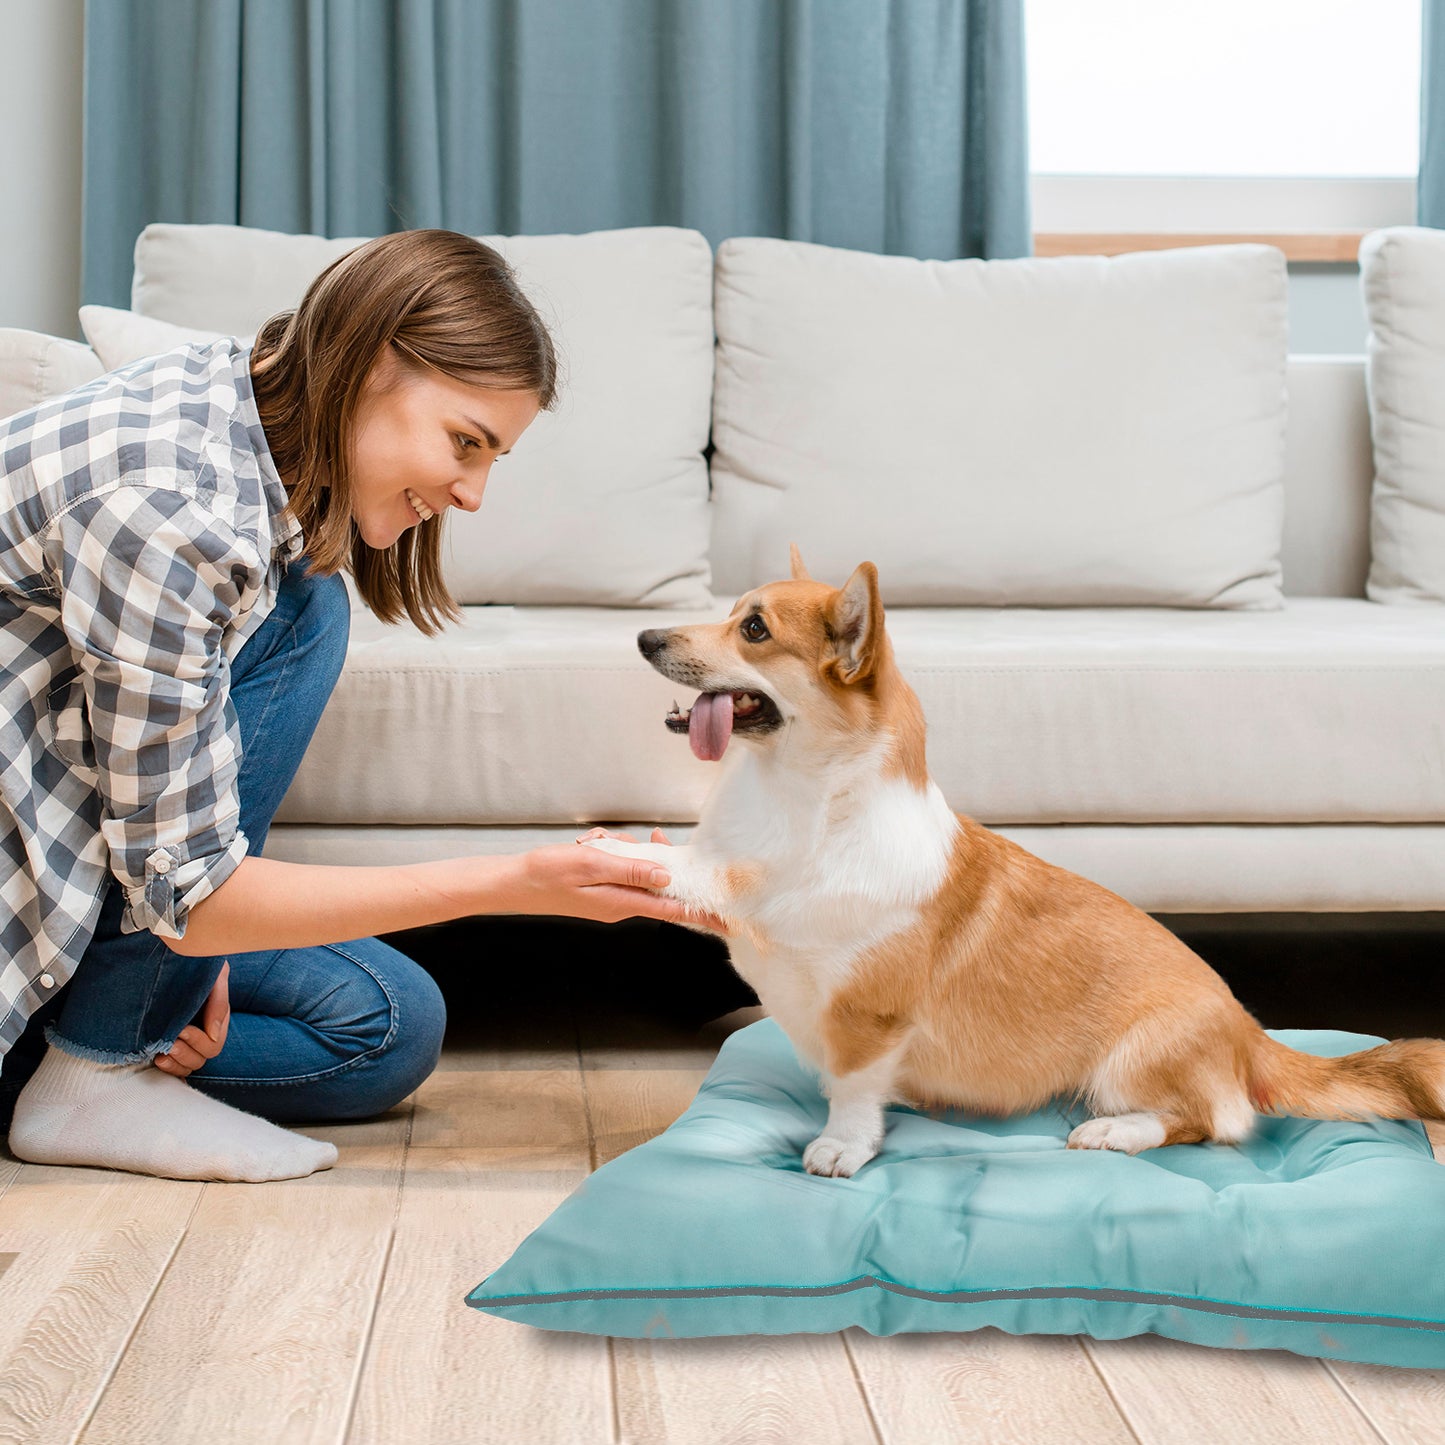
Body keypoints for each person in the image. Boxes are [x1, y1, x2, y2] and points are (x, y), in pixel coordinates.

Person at [0, 229, 718, 1184]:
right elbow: (192, 895)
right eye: (466, 442)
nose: (471, 493)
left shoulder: (239, 406)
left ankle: (74, 1045)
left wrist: (180, 939)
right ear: (371, 359)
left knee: (388, 1025)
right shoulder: (169, 509)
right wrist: (520, 880)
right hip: (29, 889)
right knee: (307, 611)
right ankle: (87, 1073)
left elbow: (173, 839)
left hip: (97, 872)